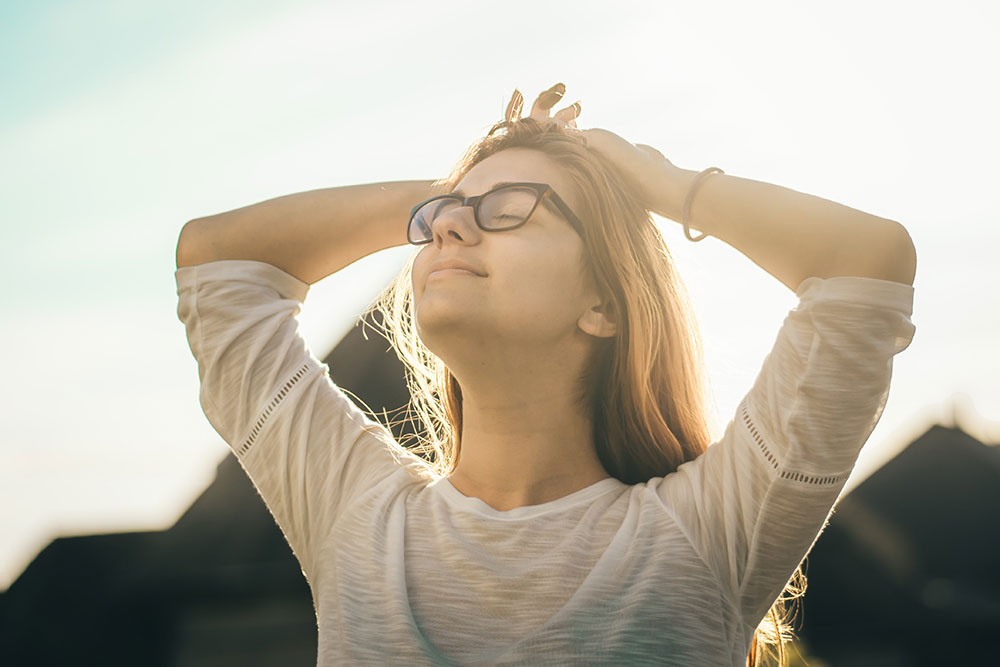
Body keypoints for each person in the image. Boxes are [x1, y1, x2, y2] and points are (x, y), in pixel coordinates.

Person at [174, 83, 916, 666]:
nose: (450, 227)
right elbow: (216, 260)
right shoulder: (356, 514)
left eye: (510, 210)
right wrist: (451, 190)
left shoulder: (706, 532)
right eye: (440, 219)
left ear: (603, 302)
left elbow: (865, 265)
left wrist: (657, 182)